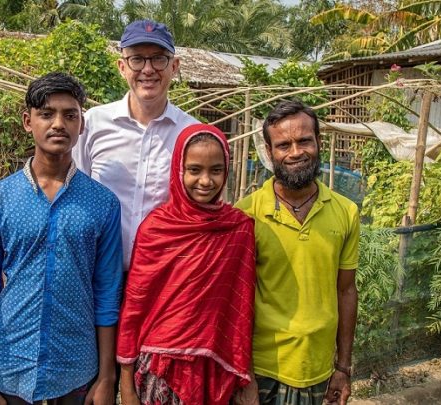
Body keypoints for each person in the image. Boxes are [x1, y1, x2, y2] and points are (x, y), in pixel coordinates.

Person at [0, 72, 123, 405]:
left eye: (70, 115)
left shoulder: (103, 203)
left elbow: (107, 293)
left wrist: (107, 377)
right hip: (11, 369)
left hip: (77, 370)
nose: (58, 124)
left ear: (82, 124)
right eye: (46, 114)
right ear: (28, 121)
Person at [117, 123, 256, 405]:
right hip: (161, 369)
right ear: (179, 169)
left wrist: (246, 375)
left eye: (216, 170)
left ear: (226, 170)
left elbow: (242, 309)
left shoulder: (239, 229)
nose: (205, 181)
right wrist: (126, 380)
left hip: (216, 368)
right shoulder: (156, 229)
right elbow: (135, 306)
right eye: (194, 170)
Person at [235, 101, 359, 405]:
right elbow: (236, 301)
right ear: (268, 151)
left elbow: (346, 291)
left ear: (318, 142)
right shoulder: (245, 215)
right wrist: (243, 373)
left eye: (304, 140)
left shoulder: (346, 212)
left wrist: (342, 367)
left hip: (317, 369)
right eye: (283, 144)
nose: (295, 152)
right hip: (262, 368)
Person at [72, 19, 198, 272]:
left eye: (159, 59)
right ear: (122, 67)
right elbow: (75, 195)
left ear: (174, 66)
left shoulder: (191, 133)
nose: (148, 70)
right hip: (98, 274)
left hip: (163, 277)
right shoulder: (94, 123)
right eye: (137, 59)